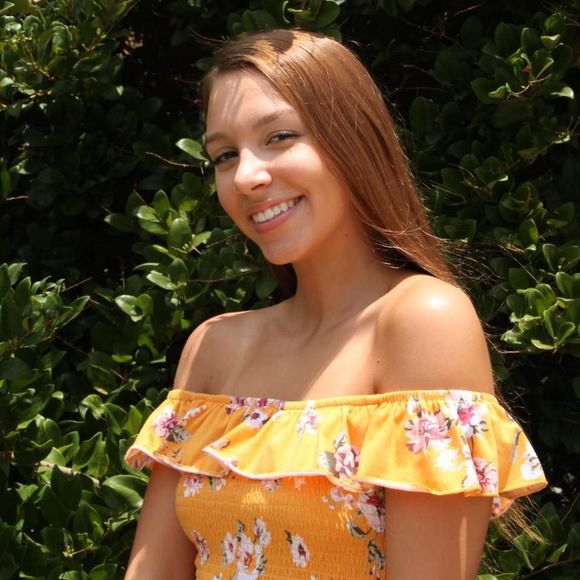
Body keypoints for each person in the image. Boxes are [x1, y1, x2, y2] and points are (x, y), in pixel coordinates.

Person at [124, 29, 547, 579]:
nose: (246, 176)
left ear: (353, 139)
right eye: (225, 155)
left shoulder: (422, 321)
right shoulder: (212, 347)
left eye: (278, 136)